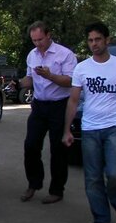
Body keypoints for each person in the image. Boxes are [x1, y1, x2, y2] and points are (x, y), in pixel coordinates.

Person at [62, 21, 116, 223]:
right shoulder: (82, 68)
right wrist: (67, 130)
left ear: (107, 40)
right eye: (90, 40)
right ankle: (101, 219)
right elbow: (74, 101)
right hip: (90, 129)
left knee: (114, 174)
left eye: (97, 39)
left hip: (114, 126)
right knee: (93, 177)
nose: (93, 44)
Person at [19, 20, 78, 204]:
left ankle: (57, 190)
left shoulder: (65, 54)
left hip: (59, 105)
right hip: (39, 105)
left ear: (48, 35)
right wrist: (18, 84)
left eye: (40, 39)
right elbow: (29, 79)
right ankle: (34, 183)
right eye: (34, 40)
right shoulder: (32, 55)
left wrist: (49, 75)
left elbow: (70, 81)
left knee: (58, 149)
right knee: (30, 145)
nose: (38, 44)